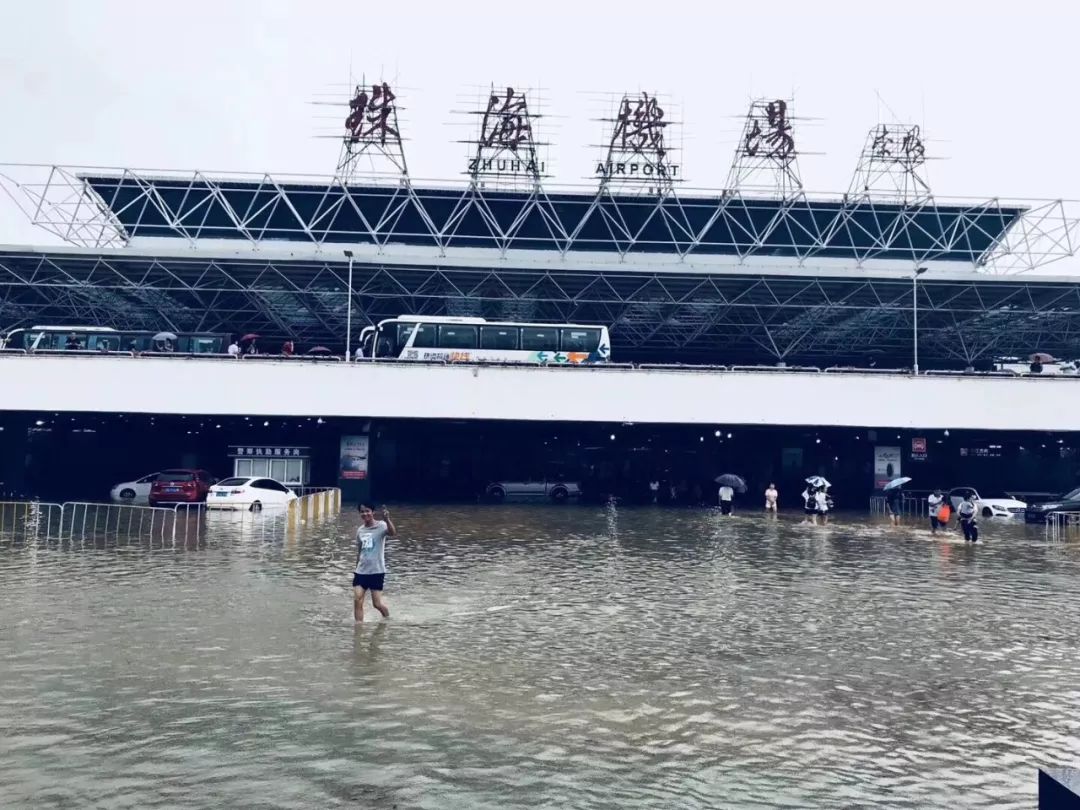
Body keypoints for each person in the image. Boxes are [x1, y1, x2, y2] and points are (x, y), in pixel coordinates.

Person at [353, 504, 397, 622]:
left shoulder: (381, 526)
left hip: (377, 571)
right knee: (357, 599)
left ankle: (387, 619)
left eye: (367, 511)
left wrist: (387, 519)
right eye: (362, 512)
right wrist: (356, 568)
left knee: (376, 604)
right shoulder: (360, 530)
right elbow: (359, 551)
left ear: (372, 512)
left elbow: (392, 533)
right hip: (361, 571)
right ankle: (358, 628)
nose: (365, 514)